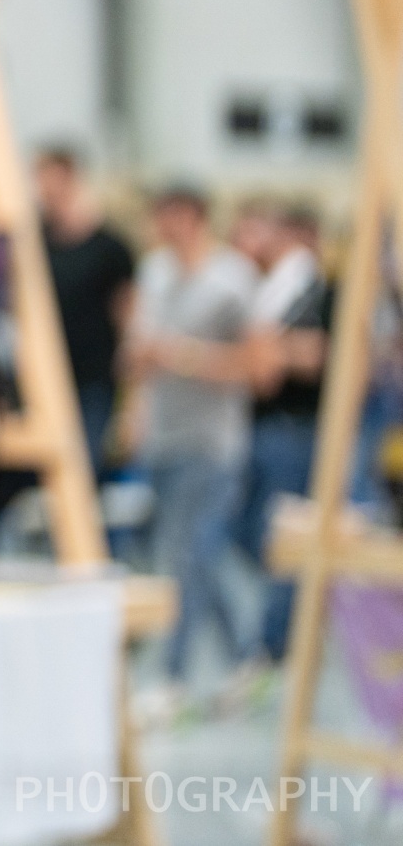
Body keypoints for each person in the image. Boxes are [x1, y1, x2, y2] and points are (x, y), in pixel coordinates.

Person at [125, 184, 257, 699]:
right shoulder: (154, 272)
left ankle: (172, 677)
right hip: (162, 435)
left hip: (212, 440)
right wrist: (134, 407)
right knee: (196, 556)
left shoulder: (232, 278)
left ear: (195, 217)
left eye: (171, 215)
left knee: (184, 557)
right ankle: (244, 657)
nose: (163, 226)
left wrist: (182, 356)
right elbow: (139, 351)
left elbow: (256, 366)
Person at [239, 199, 327, 662]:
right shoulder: (268, 285)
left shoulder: (314, 287)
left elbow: (312, 355)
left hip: (294, 428)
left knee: (281, 536)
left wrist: (266, 349)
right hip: (260, 423)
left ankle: (278, 640)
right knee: (249, 530)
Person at [35, 147, 134, 475]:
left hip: (93, 376)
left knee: (82, 466)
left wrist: (132, 393)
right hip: (44, 373)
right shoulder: (34, 243)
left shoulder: (109, 247)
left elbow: (126, 313)